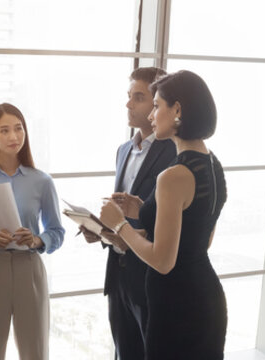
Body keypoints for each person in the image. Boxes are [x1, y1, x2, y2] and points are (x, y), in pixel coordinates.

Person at [99, 70, 228, 359]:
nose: (152, 115)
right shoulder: (213, 164)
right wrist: (141, 209)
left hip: (175, 302)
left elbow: (163, 261)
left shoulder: (172, 176)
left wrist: (119, 224)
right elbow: (198, 241)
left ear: (178, 110)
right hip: (206, 297)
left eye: (156, 106)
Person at [79, 67, 175, 360]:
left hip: (149, 277)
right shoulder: (123, 150)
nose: (129, 104)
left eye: (139, 97)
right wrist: (100, 231)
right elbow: (123, 211)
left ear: (157, 103)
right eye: (128, 96)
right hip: (118, 275)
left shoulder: (173, 153)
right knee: (123, 353)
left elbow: (167, 221)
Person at [0, 103, 65, 360]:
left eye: (18, 129)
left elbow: (57, 231)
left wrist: (37, 239)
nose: (13, 136)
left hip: (30, 269)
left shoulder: (41, 181)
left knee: (35, 352)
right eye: (4, 130)